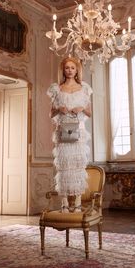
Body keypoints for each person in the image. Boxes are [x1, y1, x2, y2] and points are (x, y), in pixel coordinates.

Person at [47, 57, 92, 213]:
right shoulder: (57, 89)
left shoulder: (84, 88)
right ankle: (64, 203)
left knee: (78, 165)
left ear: (76, 70)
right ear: (63, 70)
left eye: (73, 68)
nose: (70, 70)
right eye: (67, 68)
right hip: (63, 131)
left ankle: (78, 203)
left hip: (78, 131)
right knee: (65, 166)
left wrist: (81, 108)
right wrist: (60, 109)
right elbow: (50, 113)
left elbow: (89, 112)